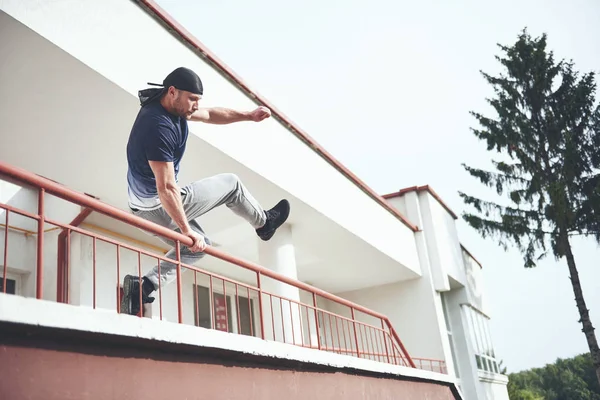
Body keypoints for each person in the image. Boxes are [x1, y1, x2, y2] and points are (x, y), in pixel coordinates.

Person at [120, 67, 290, 316]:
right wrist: (187, 230)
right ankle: (264, 224)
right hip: (158, 204)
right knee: (231, 184)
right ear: (172, 92)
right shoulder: (157, 127)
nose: (195, 106)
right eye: (192, 99)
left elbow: (210, 114)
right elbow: (166, 188)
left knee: (198, 246)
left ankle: (144, 286)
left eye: (197, 100)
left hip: (142, 208)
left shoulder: (174, 107)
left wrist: (248, 115)